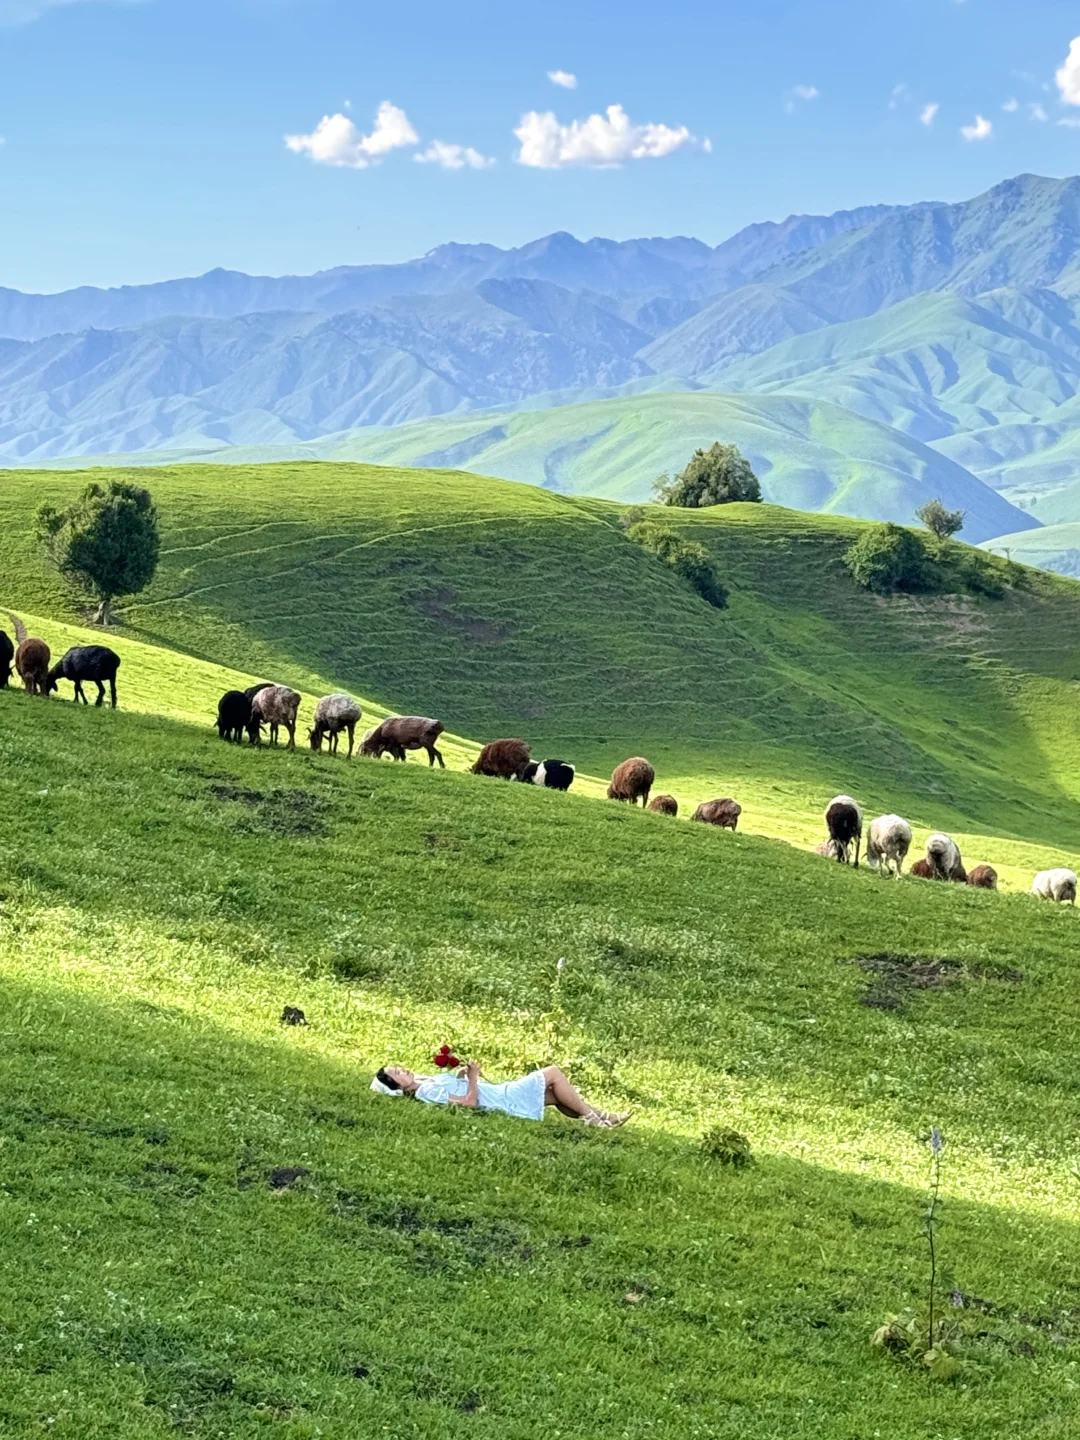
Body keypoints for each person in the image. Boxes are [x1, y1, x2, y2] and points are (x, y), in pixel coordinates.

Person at [371, 1060, 630, 1127]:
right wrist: (472, 1078)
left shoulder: (426, 1083)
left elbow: (459, 1091)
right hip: (502, 1098)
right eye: (397, 1073)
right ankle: (594, 1119)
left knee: (554, 1094)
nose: (402, 1070)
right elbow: (468, 1104)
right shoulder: (425, 1091)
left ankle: (603, 1116)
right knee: (552, 1073)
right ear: (398, 1087)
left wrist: (462, 1077)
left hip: (499, 1092)